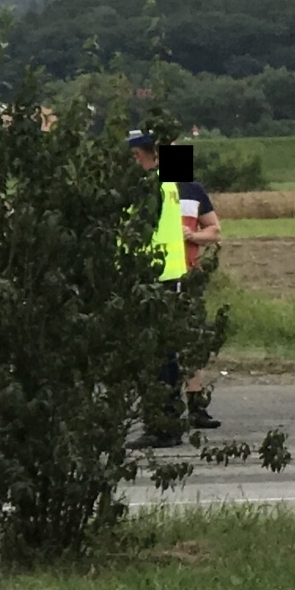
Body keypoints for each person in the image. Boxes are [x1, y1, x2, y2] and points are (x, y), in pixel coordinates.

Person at [127, 130, 224, 442]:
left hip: (164, 276)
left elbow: (212, 229)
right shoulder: (170, 186)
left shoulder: (164, 187)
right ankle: (173, 415)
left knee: (167, 351)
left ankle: (171, 418)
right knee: (167, 351)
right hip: (167, 274)